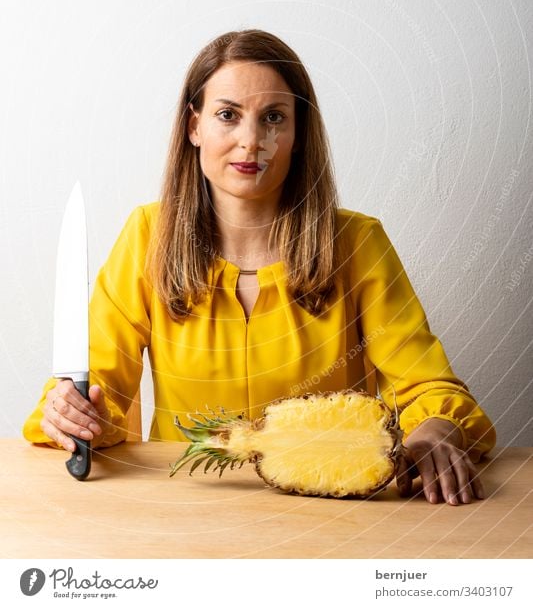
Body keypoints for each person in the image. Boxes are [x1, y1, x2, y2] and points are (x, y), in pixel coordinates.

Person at [23, 28, 496, 505]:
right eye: (228, 115)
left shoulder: (358, 243)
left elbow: (428, 385)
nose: (251, 141)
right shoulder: (147, 235)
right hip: (183, 506)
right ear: (194, 127)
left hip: (332, 508)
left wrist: (436, 429)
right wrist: (73, 414)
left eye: (273, 118)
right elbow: (99, 390)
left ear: (297, 134)